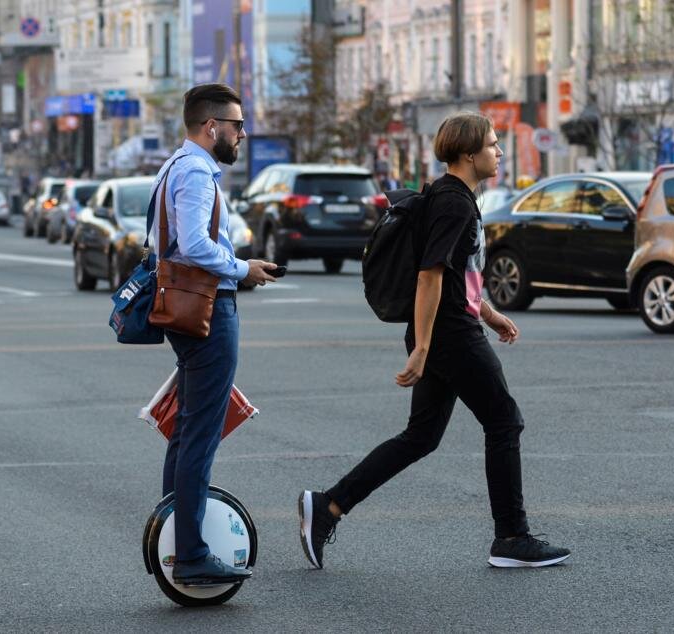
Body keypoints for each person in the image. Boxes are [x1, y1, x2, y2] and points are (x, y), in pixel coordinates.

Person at [299, 112, 570, 570]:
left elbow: (459, 273)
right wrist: (424, 346)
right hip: (447, 334)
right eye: (492, 144)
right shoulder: (454, 202)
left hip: (449, 327)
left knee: (421, 436)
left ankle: (327, 507)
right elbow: (429, 276)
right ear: (468, 153)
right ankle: (511, 537)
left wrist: (489, 312)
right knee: (504, 422)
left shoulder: (454, 196)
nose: (499, 152)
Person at [151, 83, 280, 586]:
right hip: (207, 311)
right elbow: (194, 245)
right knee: (200, 435)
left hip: (187, 309)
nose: (242, 135)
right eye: (237, 126)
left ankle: (174, 538)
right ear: (211, 128)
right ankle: (190, 553)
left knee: (186, 433)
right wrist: (242, 267)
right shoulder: (197, 172)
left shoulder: (173, 167)